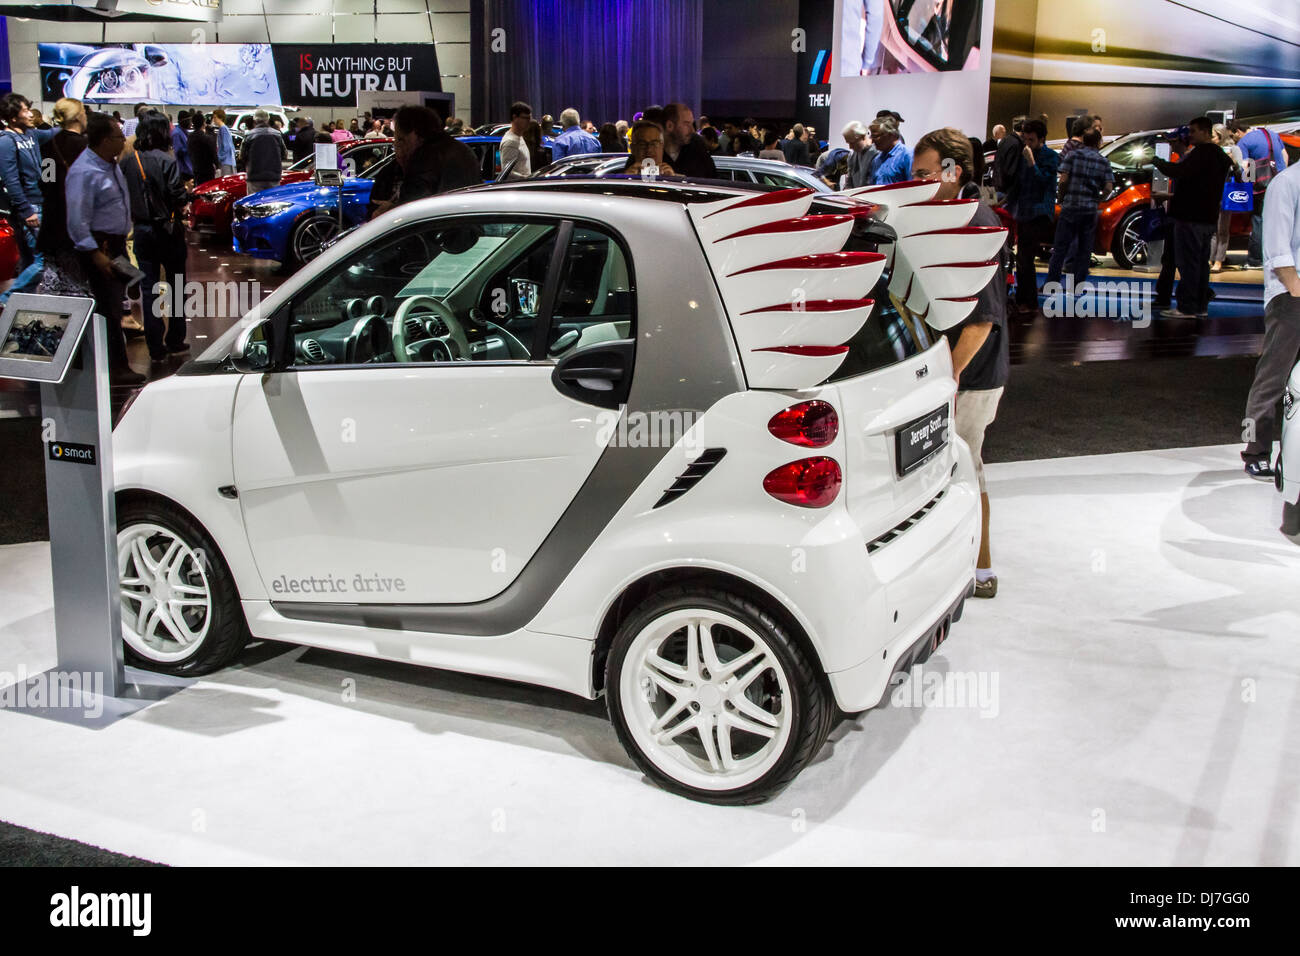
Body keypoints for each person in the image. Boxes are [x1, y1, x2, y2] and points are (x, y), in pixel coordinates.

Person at [911, 127, 1010, 598]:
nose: (916, 183)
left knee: (967, 470)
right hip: (963, 372)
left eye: (924, 174)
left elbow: (982, 321)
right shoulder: (952, 214)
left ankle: (982, 571)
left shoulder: (977, 224)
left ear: (953, 172)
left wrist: (943, 377)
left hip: (972, 374)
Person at [66, 113, 141, 385]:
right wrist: (94, 253)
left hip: (116, 243)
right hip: (100, 246)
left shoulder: (110, 165)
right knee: (108, 310)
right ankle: (115, 367)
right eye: (118, 137)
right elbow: (76, 219)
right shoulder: (84, 171)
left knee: (125, 292)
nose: (123, 141)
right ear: (103, 140)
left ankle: (116, 363)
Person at [1239, 159, 1300, 478]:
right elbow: (1277, 250)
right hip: (1290, 297)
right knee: (1272, 376)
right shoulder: (1286, 183)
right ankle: (1255, 449)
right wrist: (1295, 290)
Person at [121, 111, 189, 364]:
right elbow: (176, 195)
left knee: (148, 289)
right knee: (177, 286)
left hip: (141, 230)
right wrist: (186, 198)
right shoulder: (167, 160)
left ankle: (154, 344)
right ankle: (175, 338)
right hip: (168, 230)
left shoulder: (128, 162)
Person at [1152, 116, 1233, 318]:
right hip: (1208, 217)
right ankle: (1200, 306)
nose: (1190, 135)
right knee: (1201, 264)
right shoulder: (1220, 156)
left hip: (1190, 217)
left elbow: (1179, 171)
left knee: (1188, 263)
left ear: (1206, 132)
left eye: (1193, 131)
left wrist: (1157, 161)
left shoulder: (1201, 154)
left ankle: (1186, 307)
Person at [377, 105, 480, 211]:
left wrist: (392, 209)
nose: (397, 145)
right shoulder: (461, 149)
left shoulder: (424, 159)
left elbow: (413, 207)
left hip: (441, 224)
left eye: (400, 139)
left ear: (413, 134)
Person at [1046, 126, 1112, 289]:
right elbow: (1109, 188)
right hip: (1090, 210)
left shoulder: (1072, 156)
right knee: (1084, 249)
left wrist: (1061, 198)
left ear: (1083, 140)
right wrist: (1098, 199)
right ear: (1098, 142)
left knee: (1060, 247)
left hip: (1070, 207)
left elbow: (1063, 180)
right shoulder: (1103, 161)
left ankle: (1052, 283)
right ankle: (1077, 285)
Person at [35, 98, 89, 298]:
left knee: (55, 284)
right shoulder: (85, 147)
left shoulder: (48, 145)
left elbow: (44, 182)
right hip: (78, 224)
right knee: (81, 286)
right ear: (77, 116)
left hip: (52, 222)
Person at [0, 92, 48, 303]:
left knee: (30, 260)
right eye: (25, 110)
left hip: (36, 204)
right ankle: (6, 298)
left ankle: (21, 307)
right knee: (43, 260)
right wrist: (26, 210)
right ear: (12, 117)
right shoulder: (6, 142)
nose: (30, 114)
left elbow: (58, 133)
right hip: (28, 207)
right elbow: (11, 180)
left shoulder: (31, 135)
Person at [1009, 118, 1058, 313]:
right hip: (1025, 211)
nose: (1027, 143)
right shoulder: (1023, 155)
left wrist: (1031, 163)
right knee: (1023, 257)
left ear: (1041, 139)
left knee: (1025, 257)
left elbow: (1044, 182)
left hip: (1039, 213)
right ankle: (1025, 299)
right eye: (1025, 139)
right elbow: (1019, 184)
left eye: (1031, 139)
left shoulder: (1050, 157)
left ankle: (1028, 302)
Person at [1231, 119, 1289, 269]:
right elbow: (1285, 156)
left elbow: (1245, 169)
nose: (1234, 139)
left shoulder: (1244, 142)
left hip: (1262, 187)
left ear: (1238, 132)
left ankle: (1255, 260)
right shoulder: (1272, 134)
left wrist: (1246, 184)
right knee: (1279, 223)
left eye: (1233, 136)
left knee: (1258, 220)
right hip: (1281, 183)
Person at [1211, 123, 1245, 273]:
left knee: (1222, 229)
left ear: (1220, 135)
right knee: (1211, 229)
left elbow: (1242, 174)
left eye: (1213, 136)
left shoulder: (1234, 149)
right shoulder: (1210, 150)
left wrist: (1233, 162)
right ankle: (1209, 259)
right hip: (1211, 192)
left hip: (1227, 191)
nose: (1211, 139)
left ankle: (1219, 260)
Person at [240, 109, 286, 196]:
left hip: (254, 177)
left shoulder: (249, 135)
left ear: (254, 120)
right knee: (272, 203)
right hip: (273, 177)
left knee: (254, 204)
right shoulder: (277, 134)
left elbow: (242, 156)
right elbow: (284, 154)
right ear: (268, 119)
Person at [663, 103, 716, 178]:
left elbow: (712, 179)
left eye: (692, 124)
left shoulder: (697, 146)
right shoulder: (653, 150)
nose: (692, 130)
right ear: (669, 126)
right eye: (686, 124)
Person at [867, 114, 911, 184]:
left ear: (891, 135)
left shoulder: (907, 155)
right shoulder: (876, 160)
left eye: (875, 136)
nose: (872, 141)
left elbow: (914, 187)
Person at [498, 101, 533, 180]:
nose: (529, 121)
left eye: (529, 118)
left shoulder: (519, 137)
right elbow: (508, 172)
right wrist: (528, 178)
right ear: (514, 117)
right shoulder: (510, 141)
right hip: (516, 188)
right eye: (525, 118)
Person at [841, 120, 876, 189]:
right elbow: (848, 181)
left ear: (863, 137)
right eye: (848, 143)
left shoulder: (876, 153)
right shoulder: (852, 155)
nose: (850, 147)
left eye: (852, 143)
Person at [187, 112, 218, 186]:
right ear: (203, 123)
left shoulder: (190, 137)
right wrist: (217, 164)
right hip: (207, 170)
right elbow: (213, 152)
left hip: (195, 168)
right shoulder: (206, 138)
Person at [171, 109, 193, 183]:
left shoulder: (184, 131)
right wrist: (190, 148)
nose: (191, 123)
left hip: (189, 167)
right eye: (189, 121)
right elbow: (178, 151)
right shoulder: (176, 133)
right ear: (184, 121)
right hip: (184, 169)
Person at [212, 108, 236, 175]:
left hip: (226, 162)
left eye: (215, 117)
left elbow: (227, 146)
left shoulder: (223, 129)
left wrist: (220, 157)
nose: (214, 120)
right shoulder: (223, 129)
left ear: (221, 118)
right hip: (227, 161)